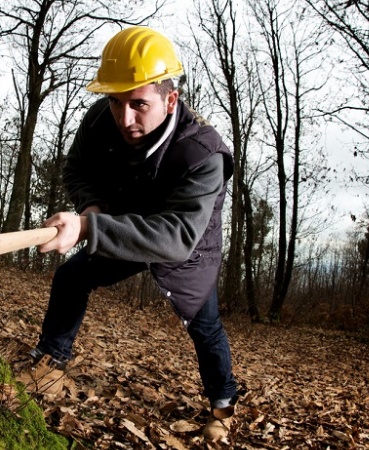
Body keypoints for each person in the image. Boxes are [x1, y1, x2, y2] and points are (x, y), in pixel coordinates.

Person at [16, 26, 239, 442]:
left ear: (170, 99)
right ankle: (49, 363)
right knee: (71, 277)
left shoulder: (204, 153)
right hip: (123, 227)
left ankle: (224, 405)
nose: (125, 118)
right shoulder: (102, 118)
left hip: (187, 244)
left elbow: (176, 236)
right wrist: (91, 206)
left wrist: (88, 227)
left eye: (139, 104)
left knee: (204, 325)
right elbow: (76, 170)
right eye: (116, 102)